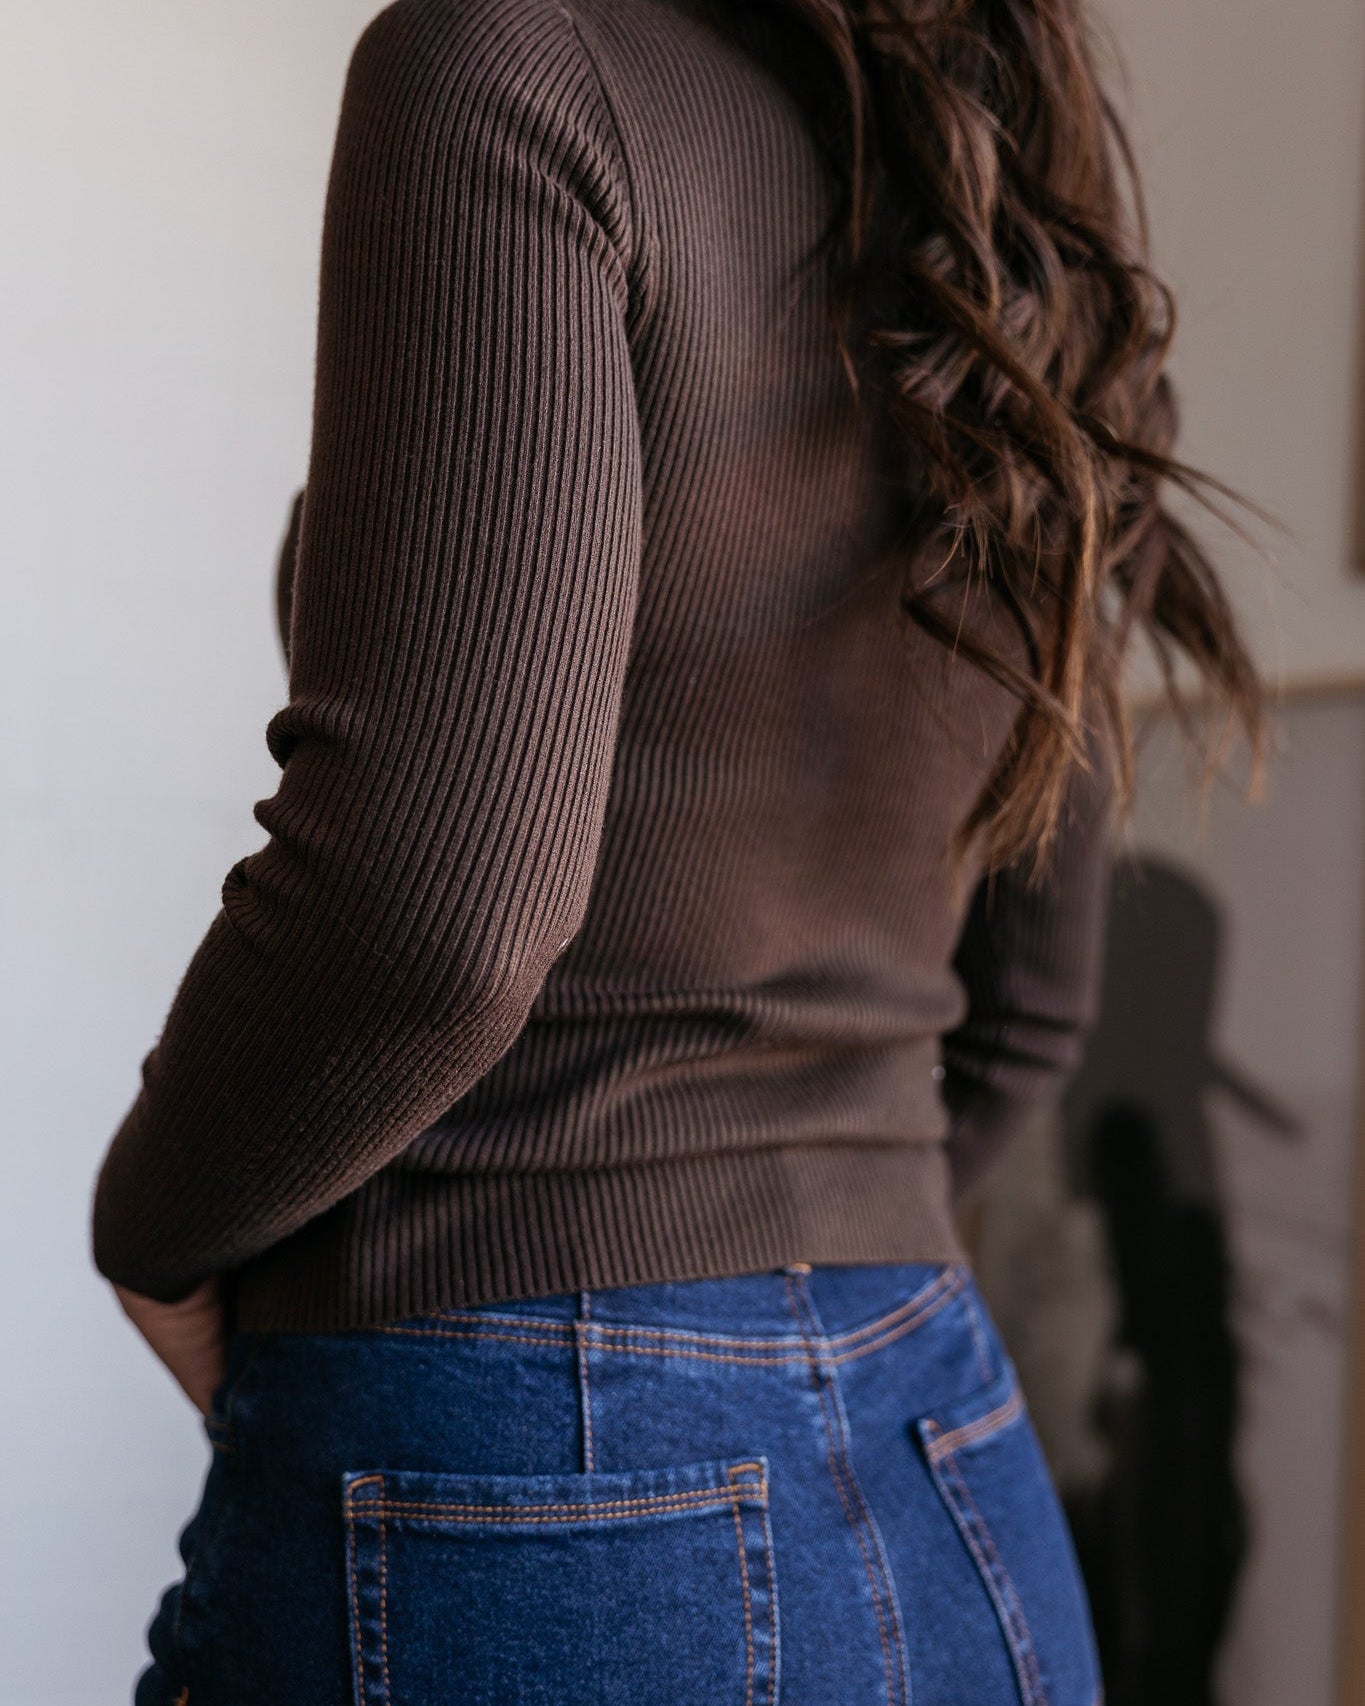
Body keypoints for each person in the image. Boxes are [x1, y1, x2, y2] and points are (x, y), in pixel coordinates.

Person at [89, 0, 1265, 1701]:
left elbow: (431, 911)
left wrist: (156, 1224)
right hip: (955, 1469)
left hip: (523, 1465)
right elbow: (1024, 1012)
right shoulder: (1016, 242)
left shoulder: (513, 65)